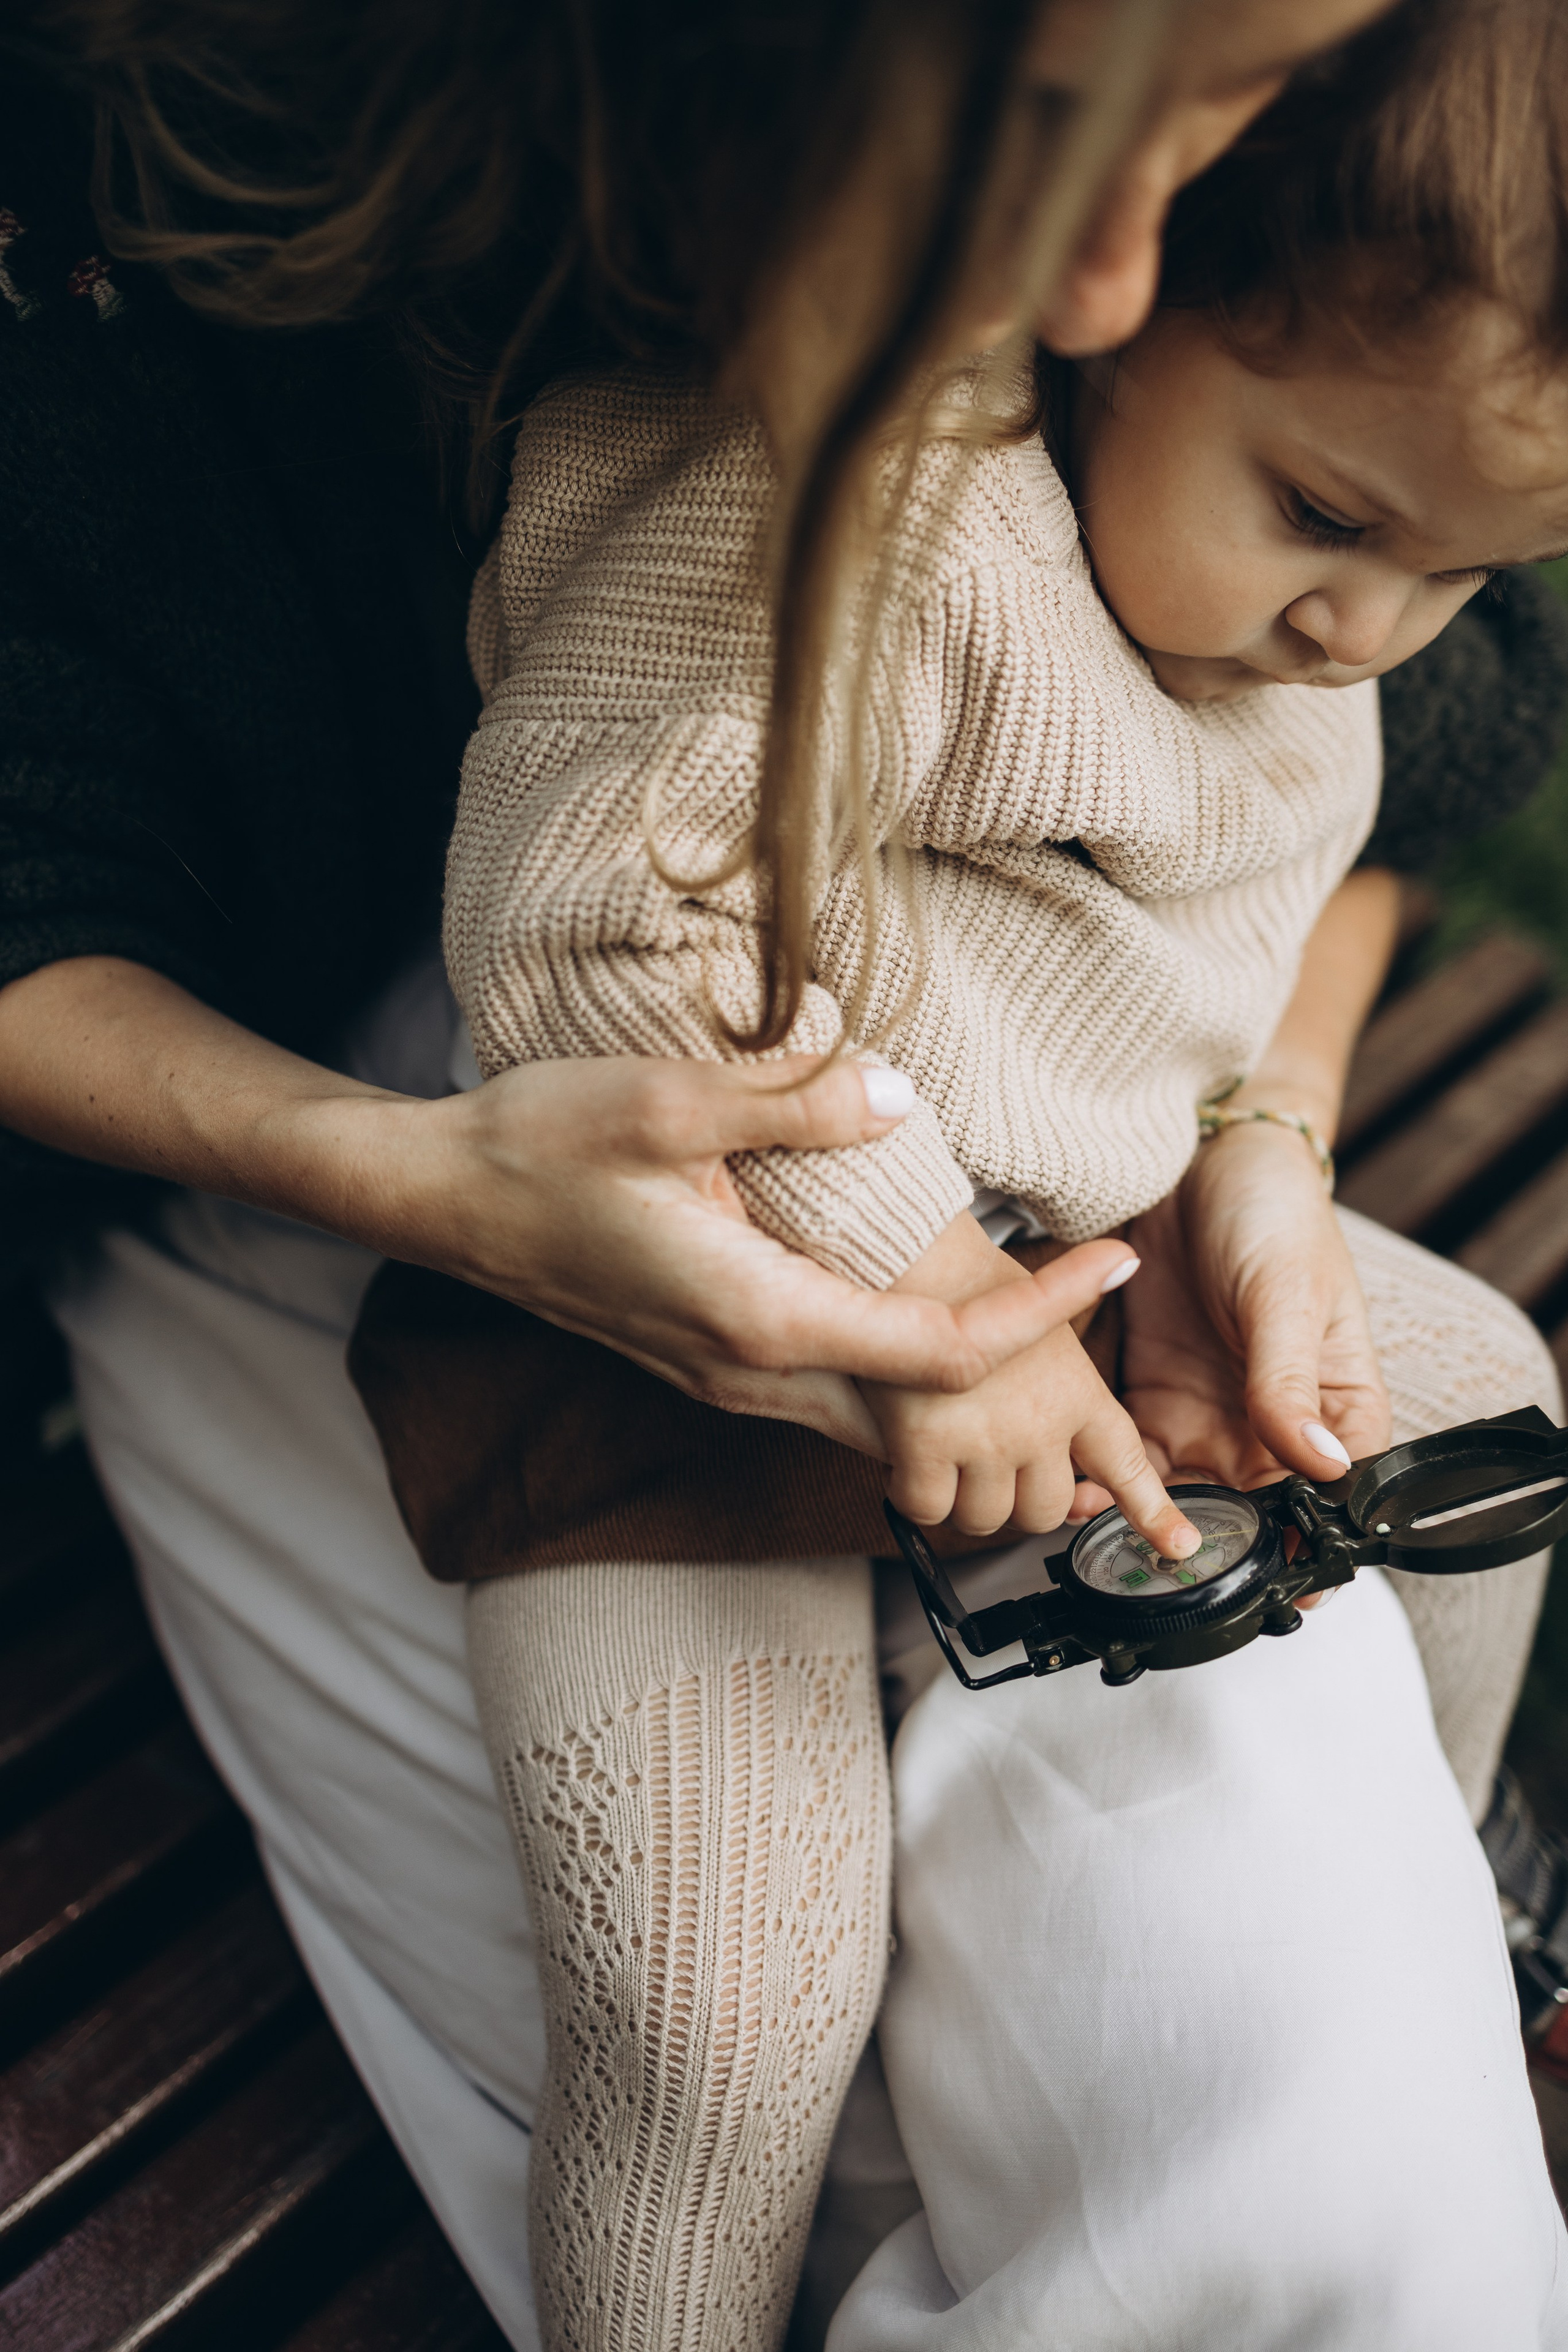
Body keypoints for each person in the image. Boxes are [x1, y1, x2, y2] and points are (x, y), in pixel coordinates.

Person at [0, 0, 1564, 2344]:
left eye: (1454, 573)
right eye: (1332, 527)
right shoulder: (826, 493)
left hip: (1062, 1271)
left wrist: (1257, 1139)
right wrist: (909, 1261)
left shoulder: (1333, 576)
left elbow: (1231, 944)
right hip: (663, 1319)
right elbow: (595, 916)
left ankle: (1459, 1913)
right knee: (726, 2002)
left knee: (1473, 1394)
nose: (1367, 632)